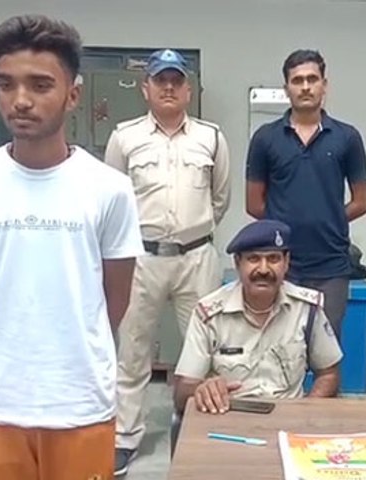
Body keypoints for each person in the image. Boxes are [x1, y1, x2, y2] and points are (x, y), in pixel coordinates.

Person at [0, 15, 144, 480]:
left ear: (73, 95)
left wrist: (71, 348)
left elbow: (114, 301)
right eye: (6, 84)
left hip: (81, 404)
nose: (21, 100)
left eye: (40, 85)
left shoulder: (109, 189)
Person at [103, 48, 230, 475]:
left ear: (188, 90)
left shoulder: (211, 138)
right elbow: (114, 201)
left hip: (196, 257)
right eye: (161, 81)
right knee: (132, 350)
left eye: (177, 81)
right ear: (147, 89)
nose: (169, 88)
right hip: (141, 259)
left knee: (206, 351)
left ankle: (204, 430)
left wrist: (192, 232)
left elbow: (220, 198)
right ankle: (124, 437)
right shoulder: (124, 138)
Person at [171, 219, 343, 447]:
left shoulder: (307, 309)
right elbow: (182, 393)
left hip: (289, 427)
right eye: (253, 259)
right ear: (238, 263)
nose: (263, 269)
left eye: (273, 259)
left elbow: (329, 374)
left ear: (286, 262)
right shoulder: (209, 314)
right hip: (227, 426)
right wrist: (201, 390)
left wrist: (305, 413)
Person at [245, 49, 366, 342]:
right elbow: (254, 204)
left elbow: (362, 201)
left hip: (331, 266)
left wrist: (328, 218)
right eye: (297, 80)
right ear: (286, 88)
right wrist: (285, 225)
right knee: (277, 347)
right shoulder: (265, 138)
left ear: (324, 85)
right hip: (280, 264)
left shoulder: (347, 137)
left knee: (327, 350)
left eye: (312, 79)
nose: (305, 87)